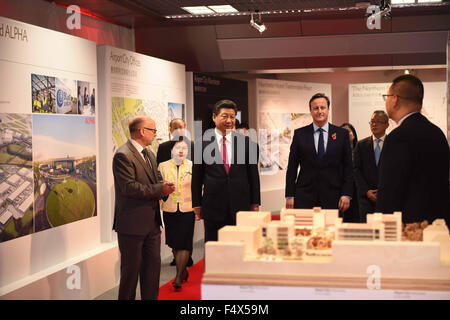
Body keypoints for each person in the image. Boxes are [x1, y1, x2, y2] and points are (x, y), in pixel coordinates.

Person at [112, 115, 175, 300]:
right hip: (132, 226)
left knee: (152, 274)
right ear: (142, 131)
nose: (155, 134)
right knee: (130, 277)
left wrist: (165, 187)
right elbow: (129, 188)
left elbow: (155, 180)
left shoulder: (149, 153)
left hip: (152, 226)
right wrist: (159, 188)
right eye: (153, 130)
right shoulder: (123, 155)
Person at [376, 75, 449, 226]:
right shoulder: (437, 133)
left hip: (408, 227)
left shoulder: (397, 137)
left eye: (387, 97)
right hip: (438, 224)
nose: (387, 101)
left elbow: (389, 192)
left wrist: (382, 225)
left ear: (395, 99)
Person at [191, 99, 261, 242]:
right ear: (214, 117)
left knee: (240, 245)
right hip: (213, 205)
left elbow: (253, 176)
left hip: (241, 205)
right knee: (213, 246)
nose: (229, 120)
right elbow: (197, 177)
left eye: (232, 117)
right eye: (224, 116)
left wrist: (255, 203)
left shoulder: (247, 143)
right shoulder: (201, 144)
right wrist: (196, 204)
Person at [285, 93, 353, 216]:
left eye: (323, 107)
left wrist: (346, 194)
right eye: (315, 108)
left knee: (332, 232)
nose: (319, 111)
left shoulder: (342, 134)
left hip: (334, 197)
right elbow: (292, 167)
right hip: (305, 196)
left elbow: (348, 167)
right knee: (304, 231)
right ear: (310, 111)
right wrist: (289, 195)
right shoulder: (300, 134)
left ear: (328, 109)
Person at [156, 118, 194, 267]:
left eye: (182, 127)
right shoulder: (164, 147)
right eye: (175, 127)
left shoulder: (192, 146)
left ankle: (185, 259)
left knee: (185, 233)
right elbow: (158, 172)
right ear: (170, 130)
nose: (179, 130)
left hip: (187, 196)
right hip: (170, 198)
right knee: (172, 234)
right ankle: (178, 257)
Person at [353, 111, 389, 222]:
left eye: (378, 122)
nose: (374, 124)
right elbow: (356, 170)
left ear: (387, 125)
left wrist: (384, 191)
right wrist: (366, 191)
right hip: (366, 199)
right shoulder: (361, 145)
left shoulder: (393, 144)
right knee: (366, 231)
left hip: (387, 197)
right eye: (372, 122)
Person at [340, 122, 360, 222]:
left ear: (354, 134)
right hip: (341, 191)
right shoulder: (336, 152)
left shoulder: (360, 149)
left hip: (357, 190)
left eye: (348, 132)